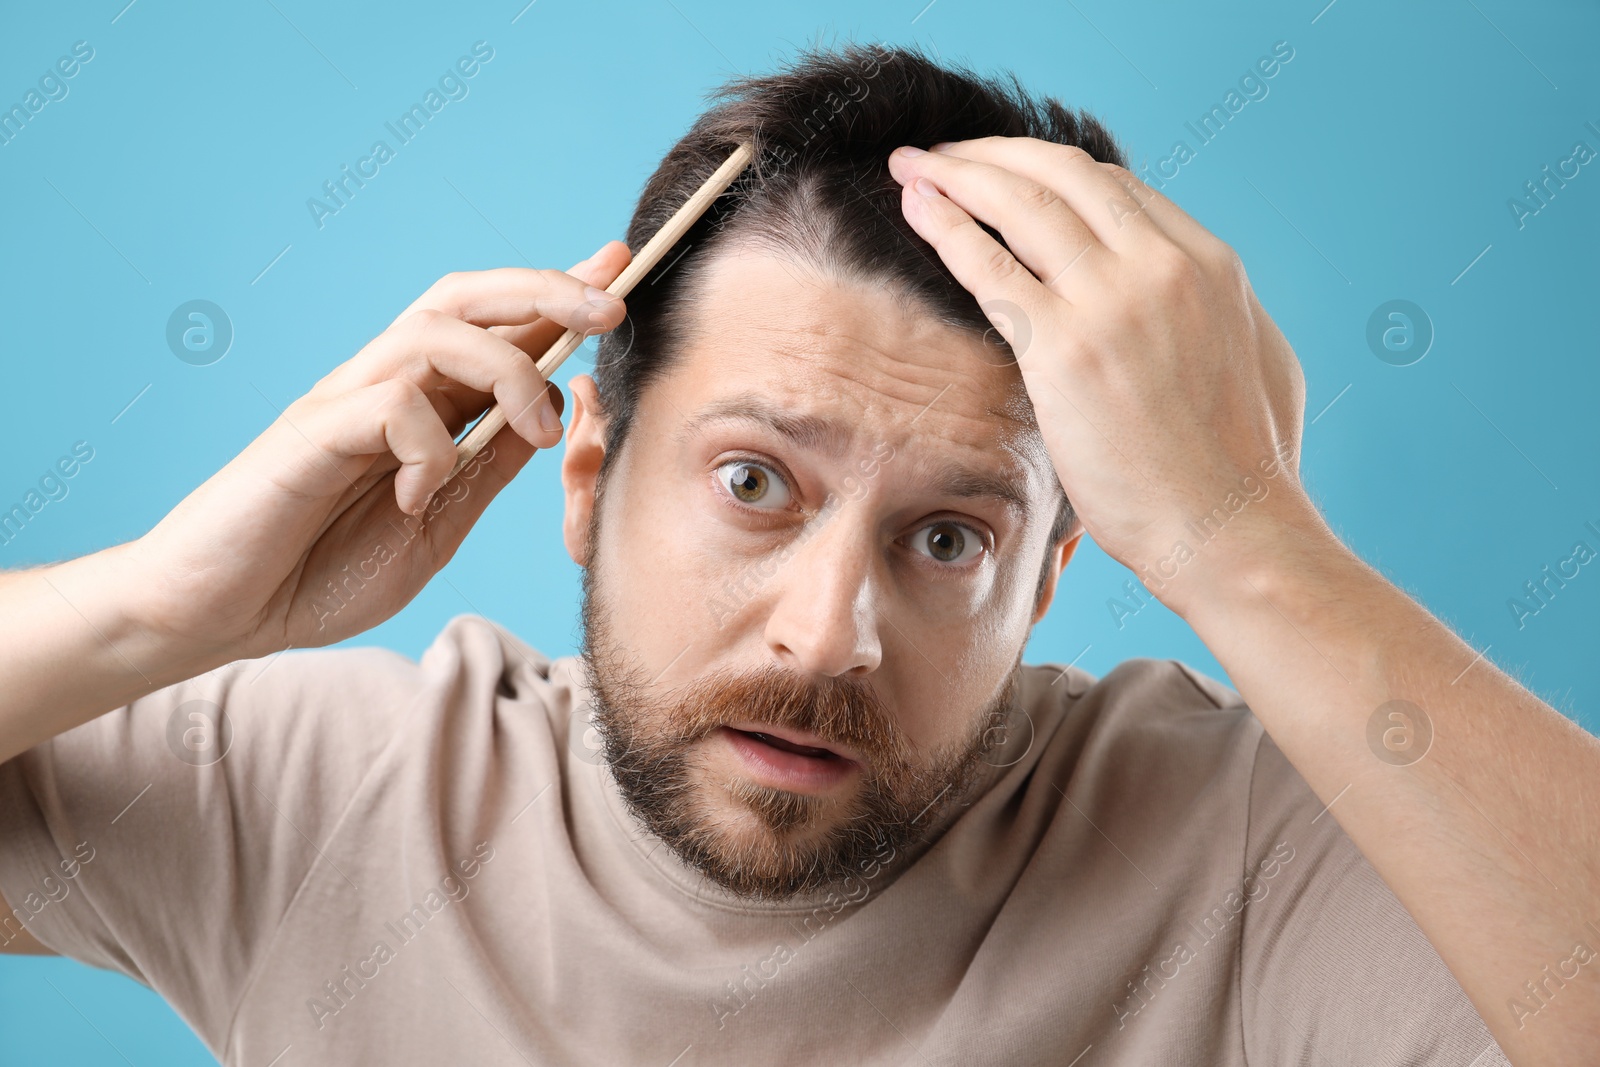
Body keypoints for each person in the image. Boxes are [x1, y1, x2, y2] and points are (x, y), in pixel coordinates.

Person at [1, 44, 1594, 1066]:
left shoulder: (1240, 857)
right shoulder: (328, 798)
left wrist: (1264, 557)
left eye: (953, 537)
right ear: (592, 473)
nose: (829, 636)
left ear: (1050, 577)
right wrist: (153, 607)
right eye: (756, 481)